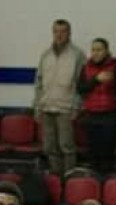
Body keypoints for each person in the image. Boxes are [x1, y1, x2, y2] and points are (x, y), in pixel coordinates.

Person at [34, 19, 85, 177]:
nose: (59, 35)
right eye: (56, 31)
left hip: (66, 108)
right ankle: (56, 178)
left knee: (66, 146)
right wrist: (37, 106)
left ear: (69, 33)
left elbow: (81, 84)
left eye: (63, 31)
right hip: (46, 106)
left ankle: (69, 178)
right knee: (49, 146)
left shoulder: (78, 55)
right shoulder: (45, 55)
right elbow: (39, 82)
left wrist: (77, 106)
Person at [78, 38, 116, 175]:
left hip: (109, 114)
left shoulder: (115, 66)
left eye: (99, 49)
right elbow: (81, 88)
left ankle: (106, 180)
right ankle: (94, 179)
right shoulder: (85, 67)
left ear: (106, 51)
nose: (96, 53)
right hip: (91, 114)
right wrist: (96, 80)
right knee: (92, 150)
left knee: (107, 150)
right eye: (93, 50)